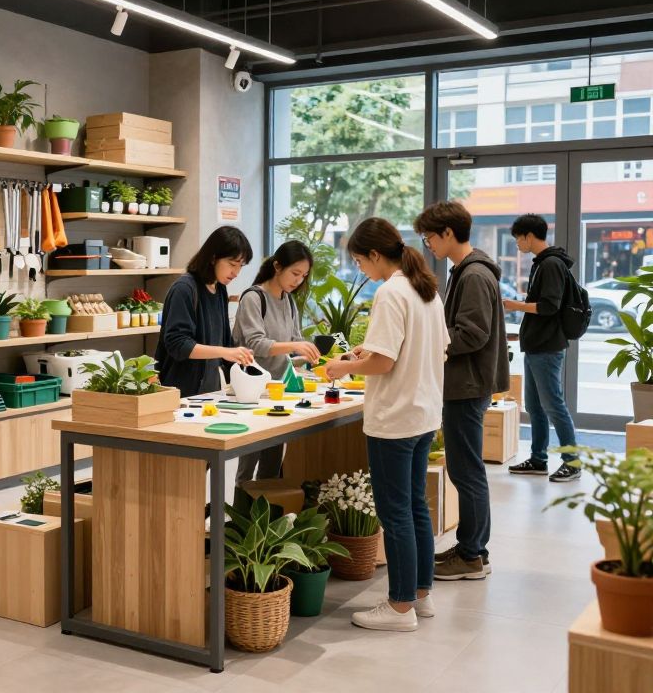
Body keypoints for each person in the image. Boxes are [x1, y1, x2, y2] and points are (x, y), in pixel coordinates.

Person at [324, 218, 448, 632]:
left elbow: (384, 363)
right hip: (424, 412)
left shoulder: (391, 292)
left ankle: (398, 608)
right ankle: (420, 595)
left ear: (375, 255)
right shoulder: (425, 288)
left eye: (360, 260)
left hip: (395, 418)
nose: (360, 268)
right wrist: (368, 352)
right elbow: (434, 348)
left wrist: (344, 366)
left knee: (395, 513)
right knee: (415, 508)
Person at [415, 201, 508, 581]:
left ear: (449, 233)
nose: (428, 245)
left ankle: (472, 554)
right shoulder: (467, 271)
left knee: (467, 471)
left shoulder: (473, 275)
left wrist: (430, 340)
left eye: (430, 237)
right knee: (465, 469)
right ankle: (471, 547)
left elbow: (472, 333)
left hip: (467, 386)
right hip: (466, 383)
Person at [232, 240, 323, 483]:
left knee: (272, 464)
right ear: (277, 266)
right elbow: (255, 345)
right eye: (295, 273)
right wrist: (295, 346)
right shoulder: (253, 298)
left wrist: (312, 357)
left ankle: (267, 519)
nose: (298, 281)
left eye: (303, 276)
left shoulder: (288, 300)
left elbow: (292, 344)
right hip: (253, 392)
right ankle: (242, 517)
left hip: (279, 392)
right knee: (248, 464)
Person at [503, 214, 581, 482]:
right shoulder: (543, 263)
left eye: (517, 239)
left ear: (528, 236)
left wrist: (515, 305)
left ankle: (573, 462)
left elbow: (549, 306)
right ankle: (538, 459)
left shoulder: (550, 264)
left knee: (554, 406)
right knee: (535, 407)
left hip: (547, 346)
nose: (517, 245)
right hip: (536, 345)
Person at [156, 226, 254, 398]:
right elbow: (178, 344)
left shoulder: (220, 289)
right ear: (213, 257)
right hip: (181, 394)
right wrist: (225, 352)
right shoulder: (184, 289)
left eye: (241, 266)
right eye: (232, 264)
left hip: (210, 393)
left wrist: (238, 356)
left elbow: (224, 340)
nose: (236, 272)